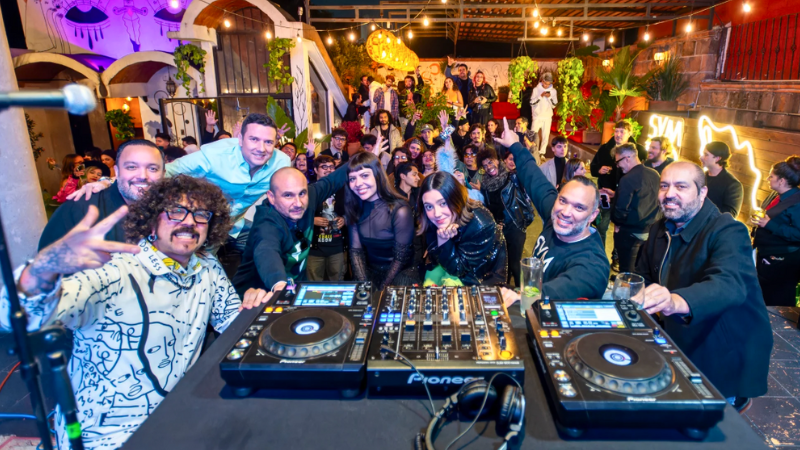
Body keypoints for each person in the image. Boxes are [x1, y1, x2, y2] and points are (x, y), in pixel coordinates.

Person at [1, 176, 271, 450]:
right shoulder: (115, 270)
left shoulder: (206, 266)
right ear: (152, 220)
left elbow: (232, 325)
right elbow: (18, 317)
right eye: (176, 211)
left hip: (177, 417)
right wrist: (43, 269)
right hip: (104, 435)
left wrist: (256, 304)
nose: (189, 221)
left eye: (201, 214)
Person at [635, 161, 772, 409]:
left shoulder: (728, 230)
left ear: (702, 192)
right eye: (664, 186)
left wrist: (676, 300)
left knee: (712, 425)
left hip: (721, 352)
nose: (669, 194)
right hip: (679, 341)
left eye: (681, 186)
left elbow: (728, 283)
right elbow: (642, 276)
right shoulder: (659, 228)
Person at [493, 119, 609, 300]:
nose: (566, 211)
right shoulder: (555, 214)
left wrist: (523, 297)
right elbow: (535, 178)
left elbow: (565, 289)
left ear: (593, 215)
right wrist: (515, 145)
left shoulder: (591, 262)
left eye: (579, 207)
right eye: (563, 200)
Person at [233, 137, 353, 294]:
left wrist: (363, 158)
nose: (298, 203)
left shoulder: (308, 196)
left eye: (302, 193)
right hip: (256, 302)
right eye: (288, 196)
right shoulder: (267, 222)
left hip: (296, 293)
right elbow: (267, 251)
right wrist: (279, 285)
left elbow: (333, 180)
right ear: (271, 197)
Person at [42, 141, 164, 249]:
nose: (143, 176)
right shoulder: (79, 209)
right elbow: (48, 266)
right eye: (131, 167)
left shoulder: (171, 209)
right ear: (116, 171)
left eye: (153, 169)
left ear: (163, 173)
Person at [346, 151, 418, 289]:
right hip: (369, 272)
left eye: (364, 175)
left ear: (377, 176)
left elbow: (400, 259)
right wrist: (365, 284)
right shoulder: (354, 208)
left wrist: (382, 289)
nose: (358, 183)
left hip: (400, 274)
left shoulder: (400, 209)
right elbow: (356, 252)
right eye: (352, 178)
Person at [419, 171, 506, 285]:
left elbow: (459, 270)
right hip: (448, 266)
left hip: (477, 279)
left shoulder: (481, 224)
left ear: (456, 198)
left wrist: (444, 240)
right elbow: (434, 255)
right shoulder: (431, 219)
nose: (436, 213)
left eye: (443, 203)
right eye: (429, 206)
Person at [476, 146, 534, 285]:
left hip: (515, 226)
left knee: (515, 264)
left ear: (497, 160)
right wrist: (496, 223)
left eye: (490, 162)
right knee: (503, 267)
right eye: (485, 165)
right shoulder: (485, 185)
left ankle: (523, 297)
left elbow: (523, 199)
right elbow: (490, 208)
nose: (489, 167)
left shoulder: (512, 177)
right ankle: (505, 295)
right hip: (500, 230)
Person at [590, 120, 646, 250]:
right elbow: (593, 168)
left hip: (627, 196)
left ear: (629, 133)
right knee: (601, 226)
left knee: (621, 228)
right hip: (605, 195)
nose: (618, 134)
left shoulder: (640, 150)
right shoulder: (605, 149)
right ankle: (600, 254)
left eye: (622, 132)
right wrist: (599, 169)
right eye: (616, 131)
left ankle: (617, 256)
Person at [752, 156, 800, 307]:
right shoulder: (777, 196)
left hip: (783, 263)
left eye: (771, 176)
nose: (767, 178)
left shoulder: (797, 202)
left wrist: (769, 224)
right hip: (768, 258)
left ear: (782, 181)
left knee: (778, 301)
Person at [609, 143, 660, 273]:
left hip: (630, 233)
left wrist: (617, 223)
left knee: (626, 273)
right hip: (651, 232)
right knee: (642, 272)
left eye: (618, 162)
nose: (618, 166)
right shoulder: (654, 175)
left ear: (627, 158)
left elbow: (621, 209)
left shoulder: (627, 179)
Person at [307, 155, 348, 281]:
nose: (328, 170)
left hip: (337, 247)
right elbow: (296, 216)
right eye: (324, 167)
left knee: (338, 284)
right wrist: (312, 220)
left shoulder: (343, 190)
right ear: (315, 170)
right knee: (313, 286)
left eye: (331, 167)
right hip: (314, 249)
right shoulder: (309, 190)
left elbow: (353, 210)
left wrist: (345, 219)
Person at [701, 141, 744, 219]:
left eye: (706, 155)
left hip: (711, 228)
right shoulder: (700, 177)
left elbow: (730, 214)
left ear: (718, 158)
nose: (701, 157)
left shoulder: (732, 184)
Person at [530, 72, 558, 155]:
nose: (546, 85)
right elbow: (532, 103)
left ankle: (542, 153)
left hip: (547, 117)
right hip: (537, 116)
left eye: (548, 84)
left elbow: (554, 105)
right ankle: (532, 152)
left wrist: (549, 97)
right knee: (533, 134)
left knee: (546, 136)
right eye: (545, 83)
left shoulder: (553, 91)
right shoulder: (536, 90)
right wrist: (540, 96)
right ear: (542, 81)